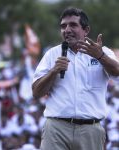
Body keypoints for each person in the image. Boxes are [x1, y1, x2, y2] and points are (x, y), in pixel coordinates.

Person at [32, 7, 119, 150]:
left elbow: (117, 73)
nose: (67, 29)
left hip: (90, 130)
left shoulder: (102, 52)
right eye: (63, 26)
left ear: (86, 30)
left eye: (73, 25)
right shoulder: (51, 55)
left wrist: (100, 56)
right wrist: (54, 71)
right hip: (56, 129)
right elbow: (36, 93)